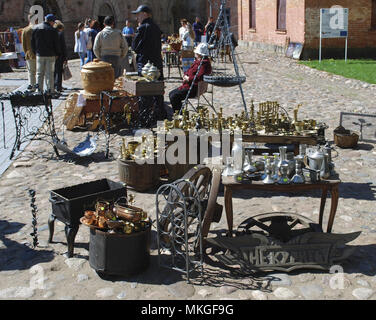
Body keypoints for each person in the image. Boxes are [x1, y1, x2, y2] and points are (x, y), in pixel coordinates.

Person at [132, 4, 166, 123]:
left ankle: (145, 118)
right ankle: (160, 115)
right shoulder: (156, 27)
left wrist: (138, 30)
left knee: (144, 92)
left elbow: (135, 47)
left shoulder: (143, 28)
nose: (137, 18)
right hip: (157, 63)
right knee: (158, 91)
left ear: (145, 14)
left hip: (145, 65)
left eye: (138, 15)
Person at [169, 43, 212, 113]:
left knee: (174, 96)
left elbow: (199, 76)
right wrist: (185, 75)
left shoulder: (204, 63)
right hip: (190, 85)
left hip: (194, 88)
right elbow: (189, 70)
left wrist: (188, 78)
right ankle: (181, 113)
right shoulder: (198, 61)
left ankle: (180, 116)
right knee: (171, 94)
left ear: (199, 54)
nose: (194, 53)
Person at [31, 14, 61, 94]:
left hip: (39, 54)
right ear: (51, 21)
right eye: (53, 22)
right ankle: (50, 90)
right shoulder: (53, 30)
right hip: (50, 55)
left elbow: (32, 42)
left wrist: (35, 52)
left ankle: (39, 90)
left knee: (39, 73)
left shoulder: (36, 28)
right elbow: (56, 44)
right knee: (50, 73)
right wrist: (57, 53)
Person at [22, 13, 36, 90]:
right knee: (39, 73)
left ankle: (32, 87)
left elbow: (23, 44)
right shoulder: (39, 29)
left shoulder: (25, 30)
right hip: (39, 54)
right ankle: (39, 88)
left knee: (31, 73)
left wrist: (26, 53)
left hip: (29, 54)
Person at [53, 20, 67, 93]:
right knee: (59, 71)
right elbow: (63, 46)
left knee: (54, 72)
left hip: (53, 55)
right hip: (60, 55)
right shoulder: (60, 34)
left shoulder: (52, 33)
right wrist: (65, 57)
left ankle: (53, 86)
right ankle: (58, 87)